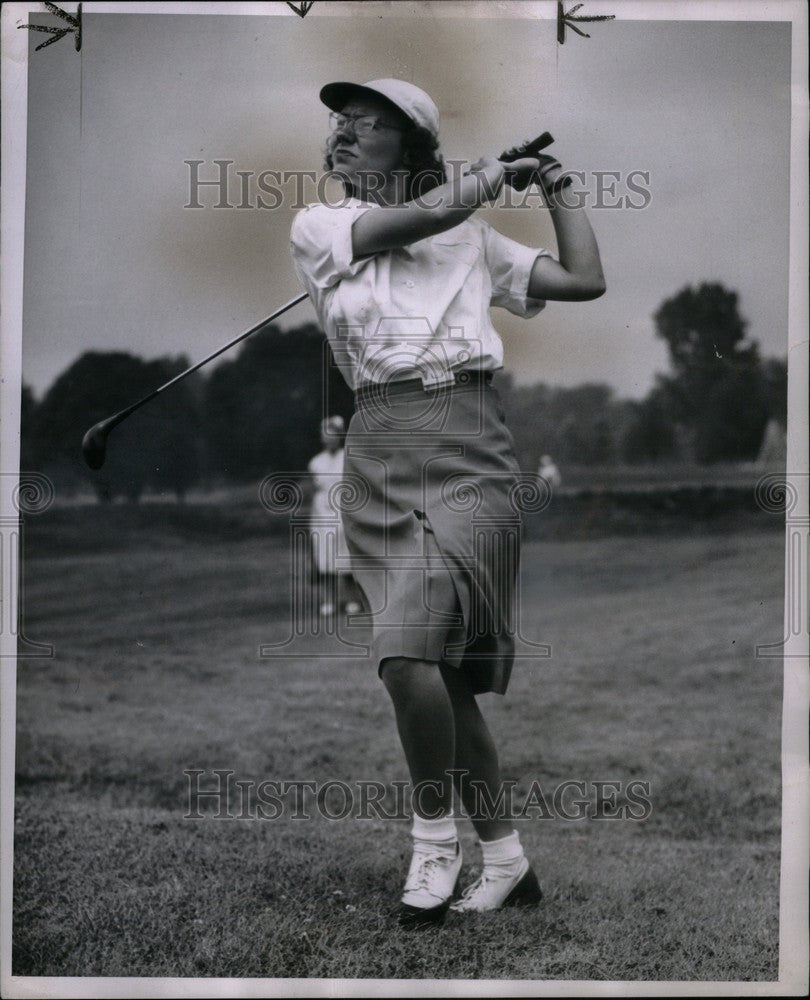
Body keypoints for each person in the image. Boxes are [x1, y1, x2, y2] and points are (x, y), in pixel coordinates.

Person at [290, 78, 605, 926]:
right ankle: (502, 858)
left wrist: (554, 187)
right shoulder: (322, 228)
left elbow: (584, 280)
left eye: (369, 124)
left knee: (416, 656)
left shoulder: (473, 236)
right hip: (380, 440)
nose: (345, 133)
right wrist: (476, 184)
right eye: (340, 123)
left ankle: (434, 844)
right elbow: (413, 221)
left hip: (472, 441)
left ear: (414, 147)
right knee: (423, 667)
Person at [307, 415, 363, 618]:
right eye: (325, 435)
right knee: (325, 558)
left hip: (343, 510)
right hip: (322, 514)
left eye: (333, 434)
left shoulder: (348, 458)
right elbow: (315, 488)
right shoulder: (316, 462)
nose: (329, 438)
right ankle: (329, 600)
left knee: (346, 558)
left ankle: (352, 599)